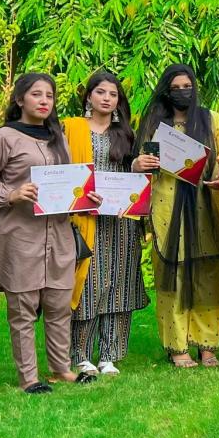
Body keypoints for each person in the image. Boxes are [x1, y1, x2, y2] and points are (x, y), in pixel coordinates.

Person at [0, 72, 101, 393]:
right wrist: (11, 193)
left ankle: (61, 370)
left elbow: (67, 186)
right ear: (20, 99)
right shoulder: (4, 137)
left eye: (50, 96)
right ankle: (28, 378)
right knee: (23, 310)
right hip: (19, 238)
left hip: (58, 237)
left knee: (59, 306)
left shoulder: (58, 138)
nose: (44, 101)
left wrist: (85, 199)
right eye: (36, 94)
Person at [134, 64, 219, 367]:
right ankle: (178, 348)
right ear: (166, 91)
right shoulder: (155, 123)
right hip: (167, 207)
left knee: (208, 274)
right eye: (175, 88)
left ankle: (207, 345)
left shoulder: (210, 119)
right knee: (172, 276)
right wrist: (138, 164)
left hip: (206, 205)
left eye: (187, 86)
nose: (182, 92)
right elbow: (143, 162)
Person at [64, 71, 149, 376]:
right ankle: (81, 354)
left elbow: (133, 175)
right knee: (88, 283)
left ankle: (110, 354)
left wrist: (137, 165)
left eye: (113, 94)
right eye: (100, 92)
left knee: (119, 284)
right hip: (86, 218)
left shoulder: (126, 133)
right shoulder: (71, 128)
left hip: (120, 221)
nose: (107, 98)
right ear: (89, 96)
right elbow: (62, 170)